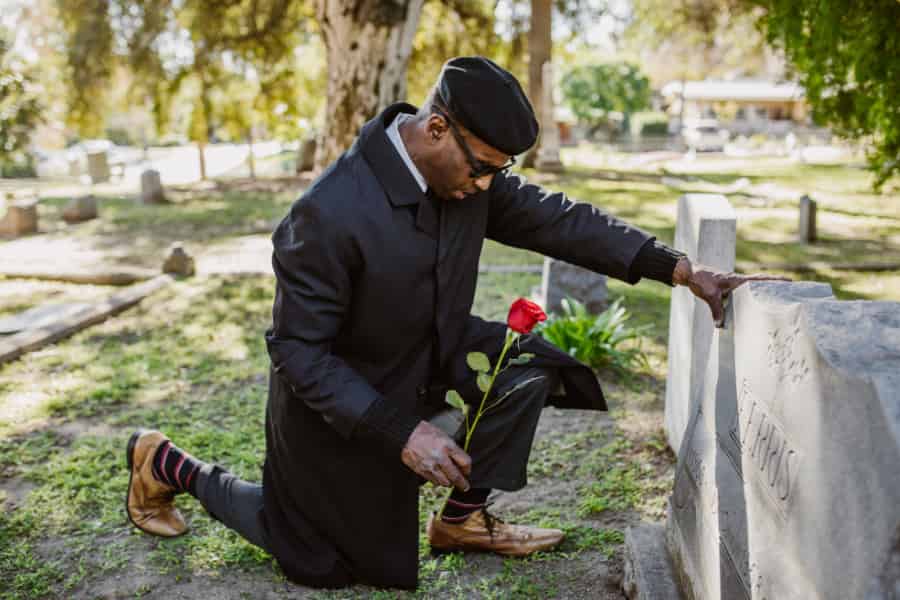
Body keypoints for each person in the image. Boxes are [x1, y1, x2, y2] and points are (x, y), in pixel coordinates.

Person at [125, 56, 775, 590]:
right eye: (484, 167)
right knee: (317, 557)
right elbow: (299, 354)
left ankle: (461, 520)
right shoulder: (326, 216)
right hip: (344, 403)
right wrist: (401, 431)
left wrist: (679, 268)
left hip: (430, 351)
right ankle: (165, 462)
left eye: (501, 171)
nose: (490, 185)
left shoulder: (468, 179)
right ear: (436, 129)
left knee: (530, 367)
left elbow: (557, 219)